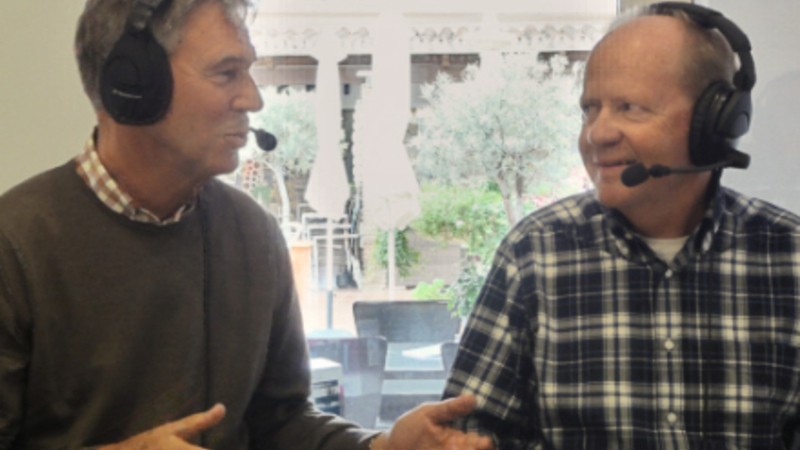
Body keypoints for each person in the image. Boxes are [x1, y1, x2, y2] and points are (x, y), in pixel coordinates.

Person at [0, 1, 494, 450]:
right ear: (132, 85)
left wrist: (381, 447)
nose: (254, 99)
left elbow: (282, 422)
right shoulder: (15, 244)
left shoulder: (253, 234)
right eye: (226, 73)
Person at [443, 3, 800, 449]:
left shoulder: (790, 257)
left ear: (715, 123)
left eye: (630, 107)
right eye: (589, 110)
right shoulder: (534, 253)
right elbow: (466, 433)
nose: (596, 134)